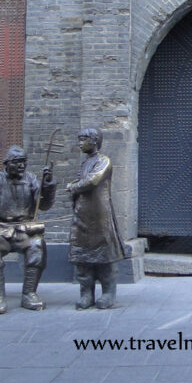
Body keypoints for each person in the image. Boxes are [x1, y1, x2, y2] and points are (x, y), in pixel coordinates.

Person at [0, 145, 56, 314]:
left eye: (24, 162)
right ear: (6, 163)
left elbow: (44, 205)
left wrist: (47, 186)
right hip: (0, 231)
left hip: (24, 231)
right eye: (17, 162)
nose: (22, 166)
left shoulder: (31, 180)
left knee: (37, 246)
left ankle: (29, 294)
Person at [66, 128, 126, 309]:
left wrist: (74, 186)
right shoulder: (85, 163)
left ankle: (108, 293)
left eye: (83, 139)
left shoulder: (103, 161)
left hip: (100, 216)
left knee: (105, 254)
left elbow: (92, 180)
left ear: (94, 141)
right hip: (82, 216)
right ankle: (86, 293)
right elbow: (80, 179)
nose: (80, 143)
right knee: (82, 256)